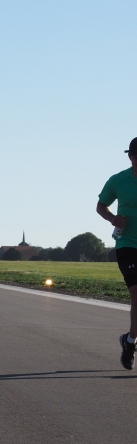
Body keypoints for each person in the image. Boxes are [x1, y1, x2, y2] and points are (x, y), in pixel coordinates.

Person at [96, 137, 137, 369]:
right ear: (131, 157)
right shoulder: (118, 180)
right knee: (136, 294)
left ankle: (129, 340)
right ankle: (131, 345)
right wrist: (112, 218)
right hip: (127, 245)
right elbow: (101, 206)